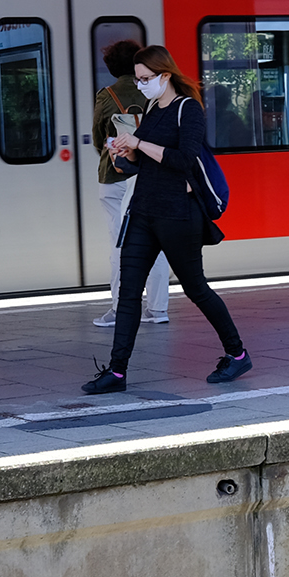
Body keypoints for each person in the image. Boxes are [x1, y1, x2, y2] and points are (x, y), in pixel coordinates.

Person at [84, 45, 252, 394]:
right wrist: (124, 154)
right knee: (129, 292)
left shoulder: (188, 109)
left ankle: (237, 353)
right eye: (138, 79)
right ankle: (117, 372)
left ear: (165, 75)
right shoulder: (151, 108)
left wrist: (139, 144)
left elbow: (183, 159)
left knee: (195, 288)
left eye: (146, 78)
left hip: (178, 214)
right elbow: (143, 162)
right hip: (143, 212)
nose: (141, 85)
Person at [91, 39, 170, 330]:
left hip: (116, 177)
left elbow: (98, 137)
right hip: (151, 175)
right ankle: (158, 308)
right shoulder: (158, 94)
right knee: (156, 242)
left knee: (120, 243)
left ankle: (119, 309)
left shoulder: (108, 95)